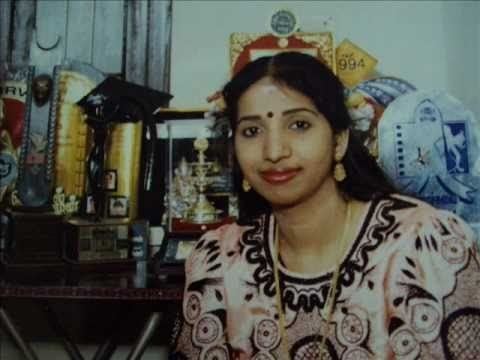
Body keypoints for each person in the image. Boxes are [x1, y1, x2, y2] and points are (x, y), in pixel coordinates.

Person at [170, 52, 480, 359]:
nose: (274, 151)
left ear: (340, 140)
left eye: (299, 125)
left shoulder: (426, 245)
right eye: (251, 131)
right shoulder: (218, 262)